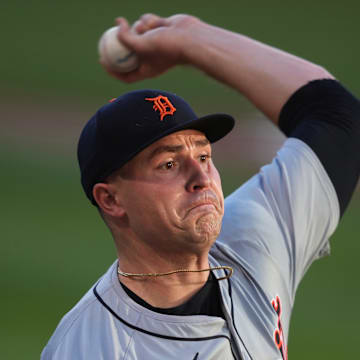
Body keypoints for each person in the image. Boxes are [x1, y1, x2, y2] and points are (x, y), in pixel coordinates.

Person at [41, 14, 360, 360]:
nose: (201, 177)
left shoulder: (252, 240)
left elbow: (339, 119)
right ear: (111, 199)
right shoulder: (90, 348)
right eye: (169, 164)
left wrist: (190, 40)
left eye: (204, 156)